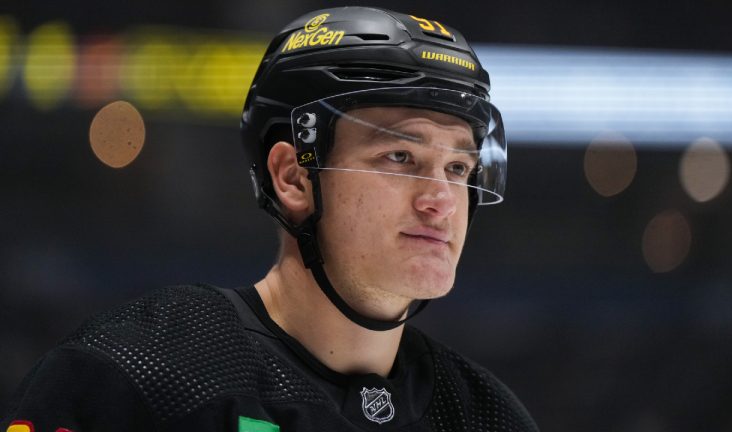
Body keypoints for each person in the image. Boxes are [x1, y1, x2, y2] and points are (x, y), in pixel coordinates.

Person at [2, 7, 538, 432]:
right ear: (293, 176)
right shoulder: (139, 375)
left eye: (458, 167)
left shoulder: (487, 415)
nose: (441, 201)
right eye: (400, 158)